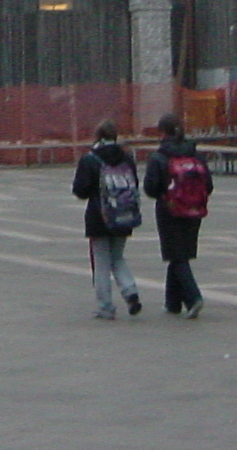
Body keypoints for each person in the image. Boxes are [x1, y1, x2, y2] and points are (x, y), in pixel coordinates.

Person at [71, 120, 144, 320]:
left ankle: (105, 306)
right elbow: (135, 183)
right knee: (118, 256)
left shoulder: (90, 159)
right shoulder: (127, 158)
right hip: (124, 213)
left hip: (99, 215)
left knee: (102, 262)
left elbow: (80, 190)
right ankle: (130, 292)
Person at [142, 114, 212, 318]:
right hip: (194, 210)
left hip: (169, 210)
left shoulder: (159, 157)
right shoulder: (195, 155)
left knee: (177, 255)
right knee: (179, 253)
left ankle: (193, 297)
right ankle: (172, 303)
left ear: (162, 132)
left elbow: (150, 188)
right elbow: (208, 185)